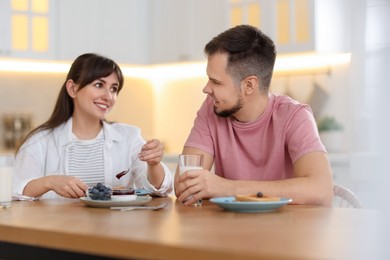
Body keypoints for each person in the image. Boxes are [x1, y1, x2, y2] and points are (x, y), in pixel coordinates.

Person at [174, 25, 333, 206]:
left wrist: (227, 188)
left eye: (216, 82)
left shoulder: (295, 116)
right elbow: (184, 185)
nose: (206, 88)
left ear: (249, 85)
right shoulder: (211, 109)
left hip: (285, 230)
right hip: (227, 229)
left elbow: (321, 190)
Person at [12, 53, 173, 199]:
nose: (108, 96)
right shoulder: (40, 141)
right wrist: (50, 182)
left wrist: (154, 164)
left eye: (114, 89)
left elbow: (159, 189)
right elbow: (14, 189)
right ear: (72, 88)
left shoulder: (129, 137)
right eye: (98, 85)